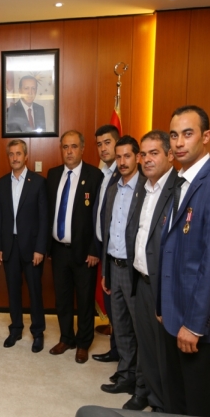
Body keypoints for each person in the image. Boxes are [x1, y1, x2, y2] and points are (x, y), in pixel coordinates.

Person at [159, 105, 210, 417]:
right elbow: (171, 249)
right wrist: (162, 307)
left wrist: (194, 326)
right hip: (174, 317)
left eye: (188, 134)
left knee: (202, 415)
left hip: (198, 326)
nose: (179, 142)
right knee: (177, 406)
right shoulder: (180, 182)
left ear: (206, 137)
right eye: (174, 135)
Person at [99, 136, 147, 410]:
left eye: (127, 156)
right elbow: (108, 232)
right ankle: (126, 375)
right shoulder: (113, 189)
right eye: (118, 157)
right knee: (121, 328)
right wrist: (105, 271)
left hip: (134, 271)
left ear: (137, 157)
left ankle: (142, 386)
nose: (122, 162)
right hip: (114, 267)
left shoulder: (146, 188)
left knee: (140, 332)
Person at [131, 130, 177, 412]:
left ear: (170, 155)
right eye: (143, 154)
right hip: (142, 281)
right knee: (147, 349)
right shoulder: (144, 187)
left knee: (165, 355)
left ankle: (166, 411)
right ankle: (154, 402)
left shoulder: (178, 189)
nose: (147, 159)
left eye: (154, 153)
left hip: (164, 287)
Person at [47, 130, 103, 363]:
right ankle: (66, 338)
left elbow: (99, 216)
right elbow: (48, 212)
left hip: (85, 251)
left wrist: (94, 249)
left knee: (84, 299)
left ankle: (83, 343)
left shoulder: (95, 175)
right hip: (58, 250)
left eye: (73, 147)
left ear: (82, 149)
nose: (69, 151)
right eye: (65, 147)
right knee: (62, 298)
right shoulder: (53, 175)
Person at [0, 139, 48, 353]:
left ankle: (38, 332)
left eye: (18, 154)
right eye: (11, 154)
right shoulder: (2, 182)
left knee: (35, 291)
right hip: (9, 246)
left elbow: (44, 218)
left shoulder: (38, 182)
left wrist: (40, 249)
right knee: (13, 291)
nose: (15, 158)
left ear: (26, 156)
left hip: (32, 247)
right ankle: (15, 329)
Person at [91, 125, 121, 365]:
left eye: (107, 142)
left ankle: (125, 358)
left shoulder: (125, 174)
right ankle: (116, 351)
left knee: (121, 309)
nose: (103, 148)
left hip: (119, 252)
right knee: (112, 305)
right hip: (104, 249)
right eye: (99, 144)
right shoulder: (102, 174)